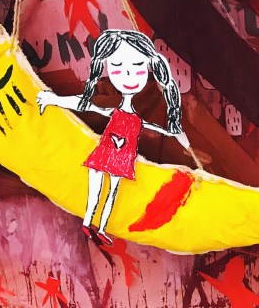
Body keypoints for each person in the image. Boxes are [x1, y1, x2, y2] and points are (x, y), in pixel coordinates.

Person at [37, 29, 189, 245]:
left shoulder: (135, 119)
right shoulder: (114, 112)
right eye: (117, 66)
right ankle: (89, 223)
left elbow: (159, 129)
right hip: (106, 155)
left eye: (137, 66)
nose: (128, 75)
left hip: (120, 160)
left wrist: (180, 137)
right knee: (97, 191)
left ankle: (101, 227)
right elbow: (85, 104)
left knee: (112, 193)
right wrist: (54, 99)